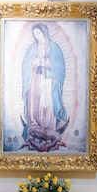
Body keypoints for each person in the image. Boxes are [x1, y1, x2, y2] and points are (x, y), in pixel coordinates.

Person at [20, 22, 69, 152]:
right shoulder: (32, 48)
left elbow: (60, 67)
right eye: (35, 34)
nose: (37, 36)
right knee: (35, 102)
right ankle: (35, 126)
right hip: (35, 78)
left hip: (48, 80)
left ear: (44, 32)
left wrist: (49, 64)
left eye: (39, 33)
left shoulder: (54, 48)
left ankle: (49, 127)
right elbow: (25, 66)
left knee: (47, 102)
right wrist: (32, 64)